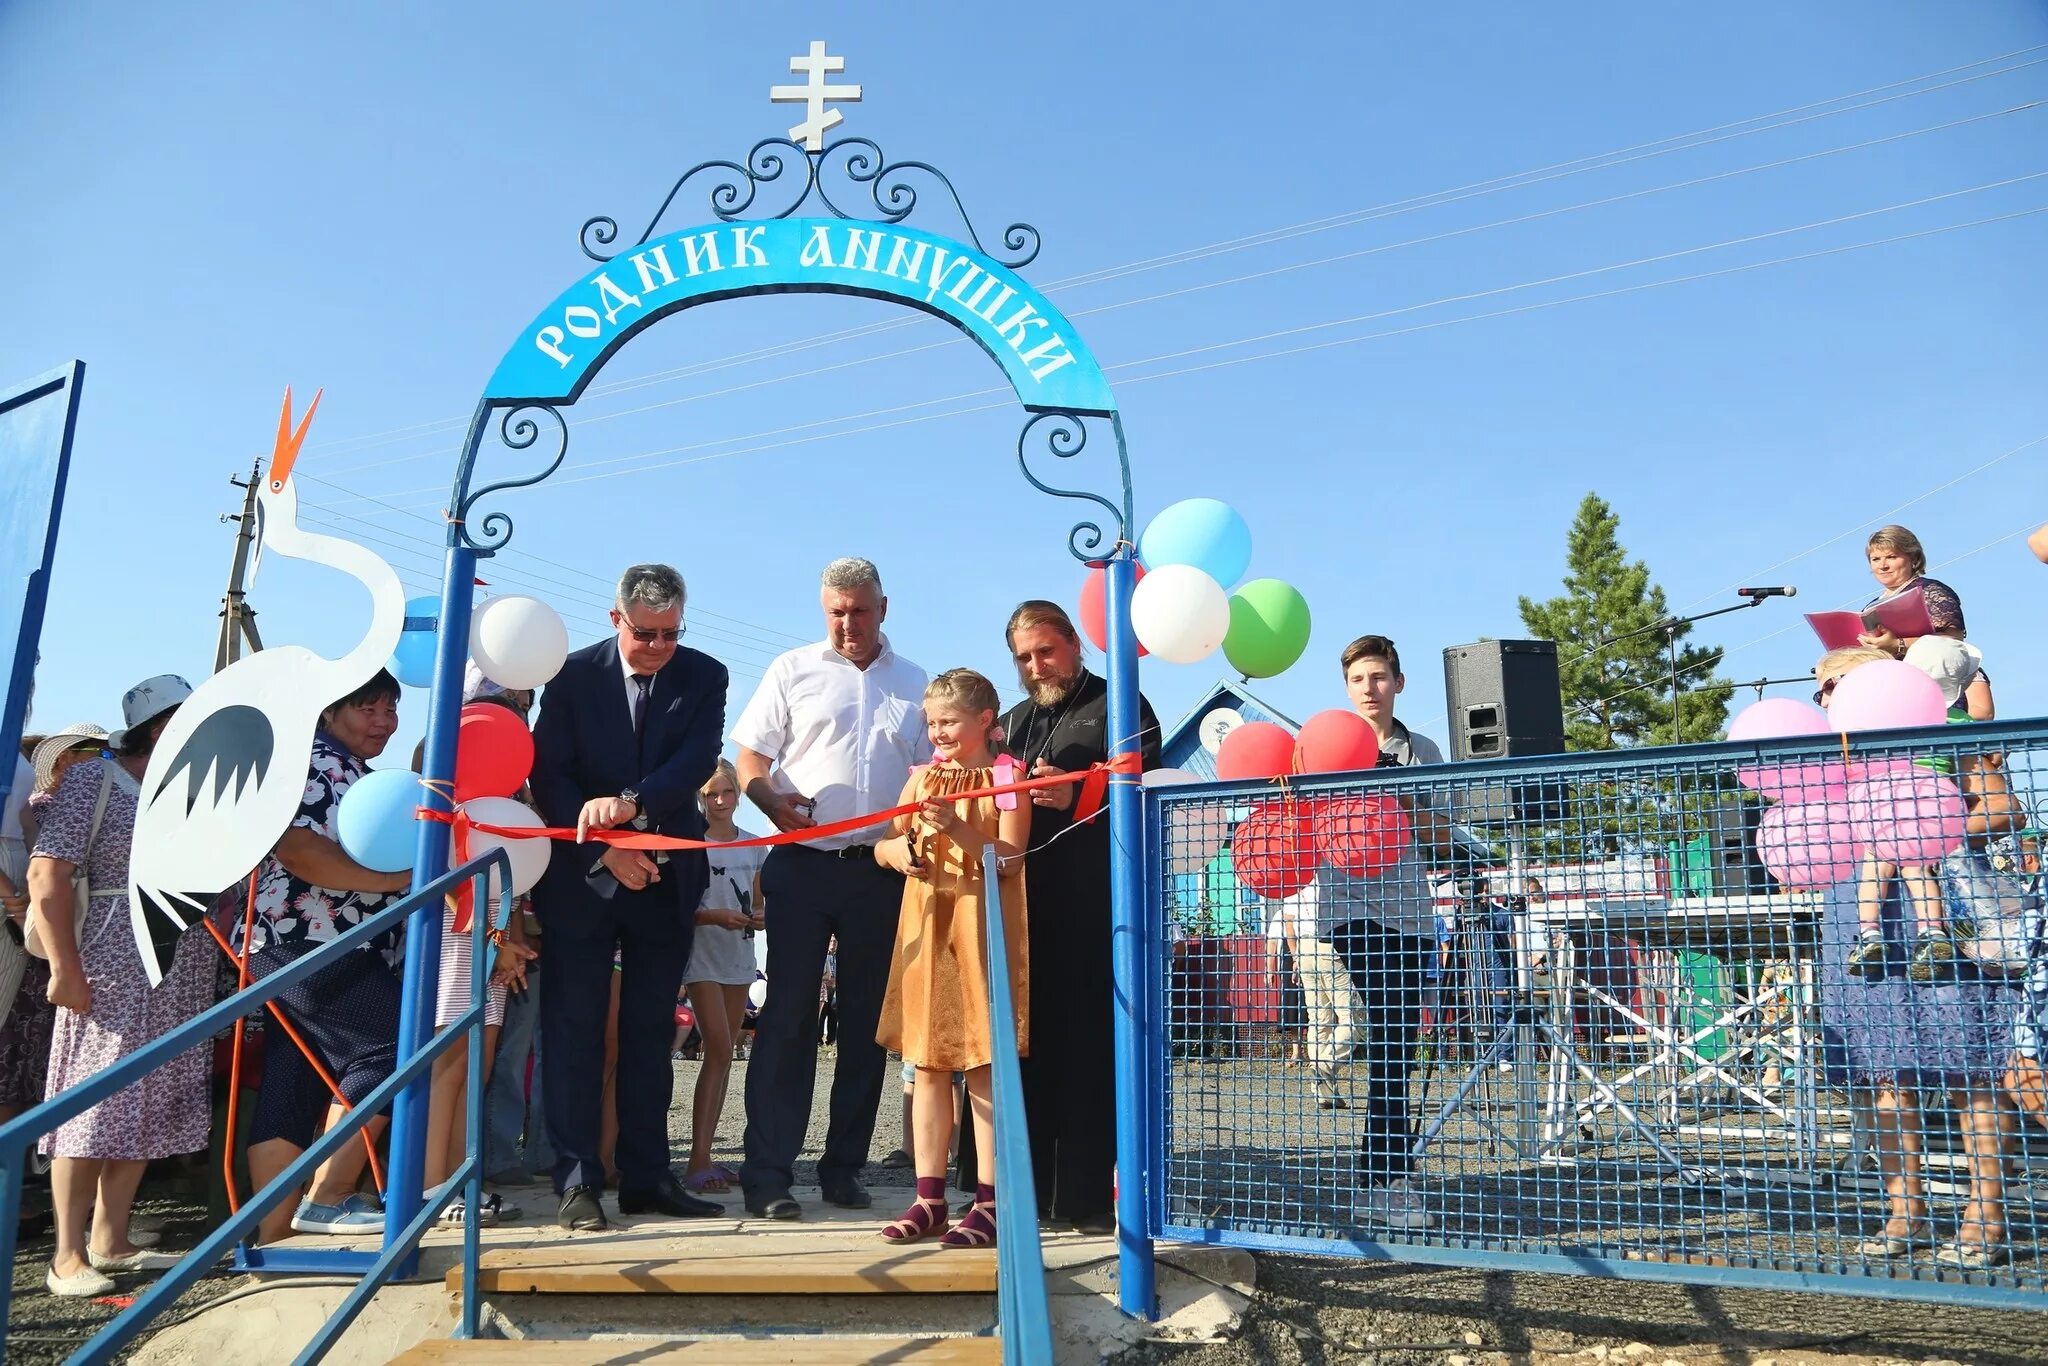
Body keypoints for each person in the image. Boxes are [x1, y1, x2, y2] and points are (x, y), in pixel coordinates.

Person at [530, 563, 728, 1230]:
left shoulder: (705, 674)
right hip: (581, 881)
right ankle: (578, 1180)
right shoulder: (569, 674)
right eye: (647, 635)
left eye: (673, 634)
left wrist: (635, 810)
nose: (660, 648)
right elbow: (548, 772)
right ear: (617, 620)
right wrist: (606, 844)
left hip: (664, 877)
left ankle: (647, 1178)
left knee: (651, 1034)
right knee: (574, 1030)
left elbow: (697, 759)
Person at [1812, 645, 2018, 1270]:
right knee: (1882, 1068)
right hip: (1860, 912)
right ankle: (1906, 1211)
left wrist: (1926, 828)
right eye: (1821, 687)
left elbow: (2007, 808)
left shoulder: (1938, 731)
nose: (1829, 695)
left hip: (1943, 900)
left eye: (1840, 682)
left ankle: (1987, 1215)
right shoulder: (1821, 759)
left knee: (1970, 1064)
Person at [734, 557, 928, 1222]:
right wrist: (770, 802)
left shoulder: (915, 682)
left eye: (860, 610)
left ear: (883, 607)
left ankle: (844, 1169)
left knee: (867, 1025)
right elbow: (750, 761)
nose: (849, 624)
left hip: (879, 868)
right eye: (836, 612)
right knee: (786, 1017)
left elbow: (930, 775)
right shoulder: (792, 669)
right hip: (801, 862)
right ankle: (766, 1176)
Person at [30, 676, 216, 1296]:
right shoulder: (94, 781)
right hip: (112, 955)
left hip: (180, 960)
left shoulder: (191, 791)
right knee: (94, 1099)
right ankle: (66, 1254)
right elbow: (47, 872)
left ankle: (111, 1238)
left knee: (153, 1092)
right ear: (164, 728)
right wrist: (63, 967)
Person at [983, 599, 1159, 1231]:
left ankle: (1085, 1197)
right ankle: (1020, 1194)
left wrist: (1075, 790)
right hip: (1025, 908)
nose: (1036, 667)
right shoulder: (1012, 722)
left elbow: (1143, 792)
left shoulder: (1123, 706)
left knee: (1088, 1052)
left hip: (1093, 908)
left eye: (1046, 652)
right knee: (1028, 1049)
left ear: (1075, 645)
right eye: (1024, 658)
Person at [240, 670, 414, 1244]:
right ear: (330, 710)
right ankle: (328, 1195)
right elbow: (299, 850)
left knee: (294, 1087)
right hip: (309, 941)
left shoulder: (353, 772)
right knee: (398, 1044)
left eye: (390, 710)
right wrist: (396, 882)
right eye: (368, 709)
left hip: (301, 944)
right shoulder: (314, 763)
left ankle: (272, 1235)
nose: (384, 721)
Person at [873, 669, 1031, 1247]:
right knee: (929, 1064)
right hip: (927, 922)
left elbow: (1012, 857)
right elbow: (883, 844)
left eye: (948, 721)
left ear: (985, 720)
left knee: (983, 1065)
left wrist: (961, 830)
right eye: (931, 721)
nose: (936, 731)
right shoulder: (919, 778)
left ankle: (990, 1203)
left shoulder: (1006, 775)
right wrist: (901, 852)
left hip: (981, 928)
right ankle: (929, 1198)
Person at [1315, 635, 1454, 1231]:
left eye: (1378, 677)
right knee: (1391, 1033)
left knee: (1397, 1041)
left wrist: (1394, 796)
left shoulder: (1420, 750)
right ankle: (1386, 1179)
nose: (1368, 689)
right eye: (1357, 680)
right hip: (1350, 913)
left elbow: (1444, 837)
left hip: (1410, 911)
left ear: (1398, 682)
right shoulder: (1321, 745)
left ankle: (1386, 1179)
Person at [680, 759, 766, 1195]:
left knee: (724, 1054)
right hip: (701, 954)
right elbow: (679, 909)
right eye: (710, 793)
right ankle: (696, 1160)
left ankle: (706, 1156)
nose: (718, 801)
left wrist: (758, 917)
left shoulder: (754, 845)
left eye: (725, 792)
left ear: (737, 793)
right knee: (716, 1046)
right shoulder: (691, 842)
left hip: (739, 956)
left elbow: (758, 900)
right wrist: (714, 916)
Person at [1858, 525, 1992, 719]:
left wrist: (1898, 645)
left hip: (1935, 695)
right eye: (1875, 559)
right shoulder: (1870, 607)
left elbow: (1952, 639)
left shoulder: (1930, 591)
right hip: (1890, 697)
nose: (1882, 565)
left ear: (1913, 558)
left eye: (1892, 557)